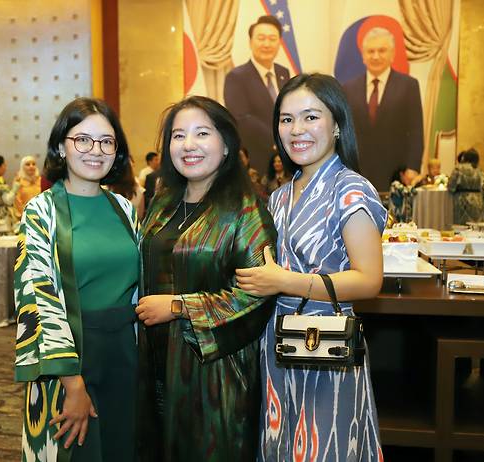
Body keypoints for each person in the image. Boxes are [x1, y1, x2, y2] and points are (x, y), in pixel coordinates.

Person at [235, 73, 385, 461]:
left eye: (311, 117)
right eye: (286, 120)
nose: (297, 129)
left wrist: (285, 281)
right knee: (280, 442)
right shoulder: (281, 195)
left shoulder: (351, 188)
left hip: (326, 345)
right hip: (276, 342)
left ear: (336, 125)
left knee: (325, 445)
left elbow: (369, 281)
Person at [135, 95, 277, 461]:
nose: (189, 145)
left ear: (227, 144)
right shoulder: (164, 201)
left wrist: (180, 307)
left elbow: (256, 296)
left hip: (212, 376)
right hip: (155, 365)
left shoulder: (245, 211)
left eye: (202, 133)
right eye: (178, 135)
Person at [14, 97, 139, 462]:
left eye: (106, 141)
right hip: (69, 356)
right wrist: (72, 382)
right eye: (82, 139)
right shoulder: (41, 210)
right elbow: (37, 297)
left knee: (121, 446)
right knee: (75, 451)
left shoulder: (124, 208)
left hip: (123, 354)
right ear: (61, 146)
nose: (95, 151)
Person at [342, 27, 424, 191]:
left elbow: (416, 131)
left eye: (382, 50)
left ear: (392, 54)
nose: (376, 56)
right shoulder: (348, 88)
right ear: (363, 56)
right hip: (357, 173)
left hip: (396, 175)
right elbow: (344, 132)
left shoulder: (409, 86)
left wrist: (413, 167)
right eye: (370, 51)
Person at [224, 15, 290, 176]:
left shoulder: (283, 72)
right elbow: (241, 118)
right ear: (250, 42)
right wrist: (277, 138)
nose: (267, 44)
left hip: (286, 159)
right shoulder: (236, 76)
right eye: (261, 38)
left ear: (279, 43)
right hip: (257, 160)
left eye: (272, 39)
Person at [448, 149, 484, 224]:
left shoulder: (458, 168)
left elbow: (451, 187)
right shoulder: (479, 171)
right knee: (476, 227)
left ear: (464, 158)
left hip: (462, 200)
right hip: (477, 201)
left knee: (461, 227)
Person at [0, 156, 20, 235]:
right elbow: (8, 200)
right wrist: (16, 184)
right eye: (4, 165)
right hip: (4, 216)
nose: (5, 167)